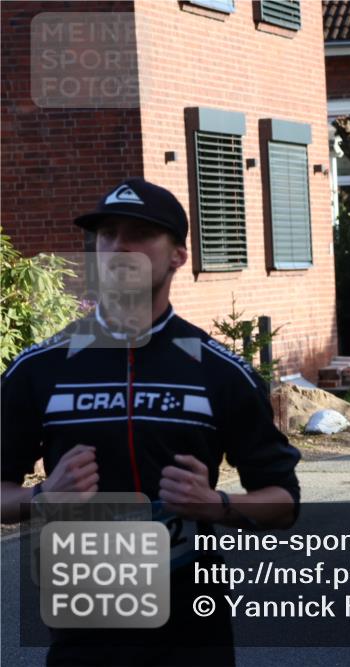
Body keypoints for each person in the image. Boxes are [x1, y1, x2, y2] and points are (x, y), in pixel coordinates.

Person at [0, 178, 301, 666]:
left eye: (139, 234)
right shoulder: (39, 368)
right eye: (107, 234)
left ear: (179, 254)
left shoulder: (219, 371)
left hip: (191, 618)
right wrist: (41, 497)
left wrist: (217, 503)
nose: (118, 247)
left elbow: (284, 502)